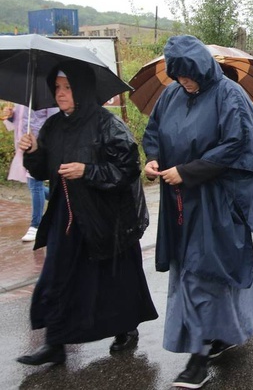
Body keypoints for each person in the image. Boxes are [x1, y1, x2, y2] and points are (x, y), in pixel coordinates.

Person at [143, 35, 253, 389]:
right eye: (177, 76)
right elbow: (155, 130)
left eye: (188, 75)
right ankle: (219, 335)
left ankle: (197, 358)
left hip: (218, 202)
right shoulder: (173, 94)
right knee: (196, 271)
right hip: (180, 204)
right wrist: (153, 157)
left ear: (202, 67)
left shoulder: (229, 95)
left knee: (205, 272)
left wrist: (188, 172)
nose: (183, 82)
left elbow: (237, 145)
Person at [16, 61, 158, 367]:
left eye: (67, 88)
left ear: (82, 89)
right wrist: (33, 153)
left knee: (112, 279)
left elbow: (128, 168)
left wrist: (88, 170)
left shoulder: (107, 124)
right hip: (64, 217)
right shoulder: (54, 126)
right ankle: (55, 343)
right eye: (57, 88)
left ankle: (125, 326)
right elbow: (42, 171)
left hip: (103, 217)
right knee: (57, 276)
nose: (61, 93)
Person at [3, 103, 58, 242]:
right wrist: (9, 116)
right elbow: (18, 121)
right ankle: (61, 199)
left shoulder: (46, 97)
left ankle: (36, 226)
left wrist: (43, 144)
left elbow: (55, 123)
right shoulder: (22, 98)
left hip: (38, 149)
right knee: (33, 186)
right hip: (22, 148)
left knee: (35, 185)